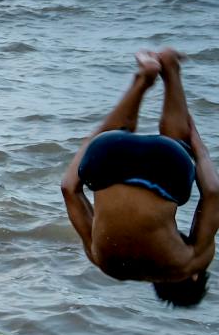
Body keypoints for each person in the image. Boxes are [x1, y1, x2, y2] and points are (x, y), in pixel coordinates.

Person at [62, 49, 214, 307]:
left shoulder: (190, 263)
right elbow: (68, 188)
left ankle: (170, 67)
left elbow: (213, 192)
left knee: (179, 147)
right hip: (108, 154)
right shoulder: (102, 262)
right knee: (112, 142)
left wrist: (200, 152)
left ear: (194, 276)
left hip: (167, 161)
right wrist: (93, 140)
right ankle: (145, 77)